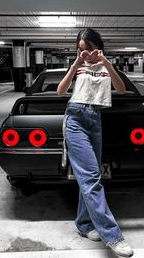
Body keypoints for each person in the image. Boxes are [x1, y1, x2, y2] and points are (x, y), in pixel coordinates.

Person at [57, 28, 134, 257]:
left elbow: (121, 89)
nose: (86, 54)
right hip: (75, 119)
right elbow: (61, 92)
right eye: (81, 50)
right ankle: (113, 236)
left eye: (89, 49)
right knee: (91, 178)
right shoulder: (78, 67)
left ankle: (84, 224)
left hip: (95, 120)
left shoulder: (105, 68)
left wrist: (105, 62)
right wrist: (74, 65)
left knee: (90, 178)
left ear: (98, 47)